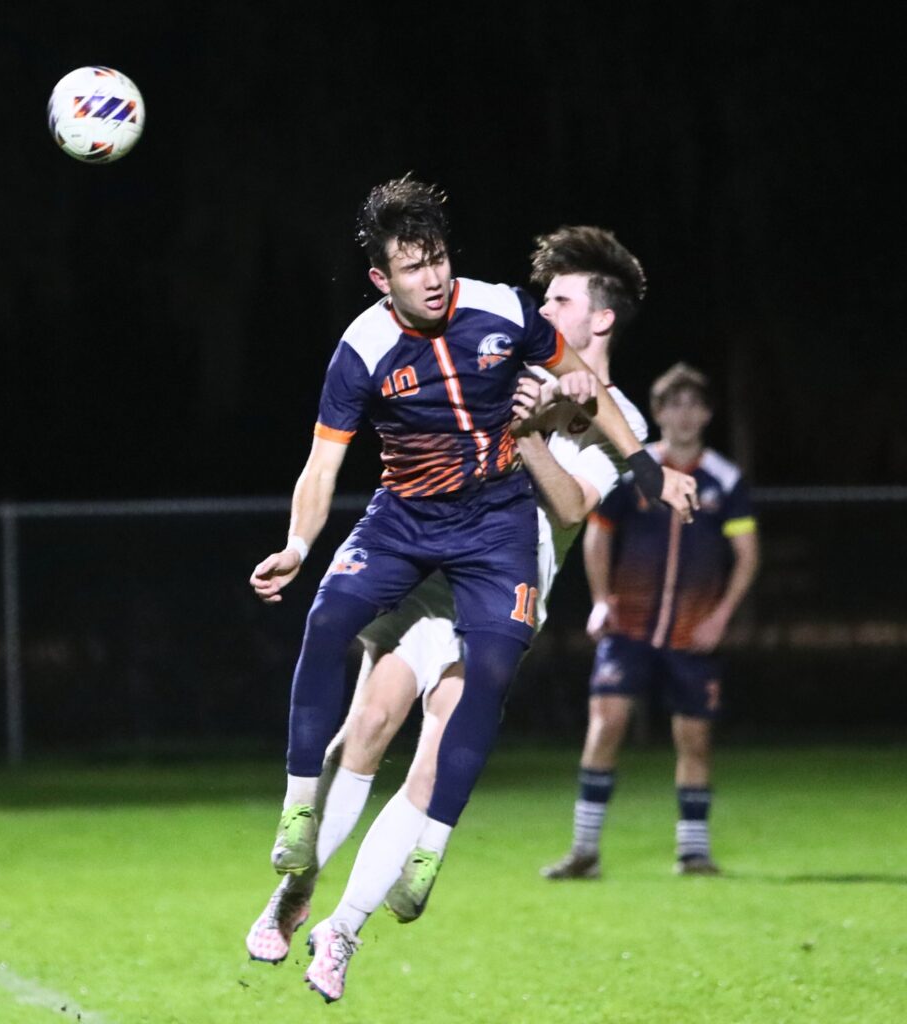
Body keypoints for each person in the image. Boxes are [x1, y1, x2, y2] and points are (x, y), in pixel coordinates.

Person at [249, 178, 696, 992]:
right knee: (367, 723)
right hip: (431, 574)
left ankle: (342, 932)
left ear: (600, 317)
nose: (542, 305)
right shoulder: (500, 347)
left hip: (500, 582)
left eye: (560, 297)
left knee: (432, 755)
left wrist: (529, 435)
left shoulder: (612, 406)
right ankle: (299, 880)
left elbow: (568, 502)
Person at [541, 362, 759, 881]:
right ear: (657, 413)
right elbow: (598, 532)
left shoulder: (724, 480)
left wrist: (721, 617)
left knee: (694, 739)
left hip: (692, 632)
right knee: (605, 727)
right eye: (673, 405)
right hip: (629, 627)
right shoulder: (638, 468)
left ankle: (693, 852)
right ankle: (585, 851)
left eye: (694, 405)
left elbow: (747, 555)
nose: (684, 415)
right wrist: (601, 600)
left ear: (707, 414)